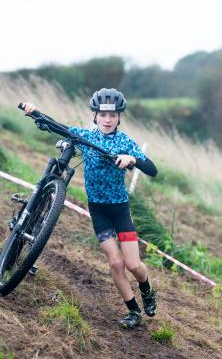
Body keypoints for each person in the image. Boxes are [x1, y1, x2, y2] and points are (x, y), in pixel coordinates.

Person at [23, 88, 158, 329]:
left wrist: (132, 159)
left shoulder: (125, 141)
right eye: (103, 115)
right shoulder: (86, 137)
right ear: (95, 115)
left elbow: (152, 169)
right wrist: (35, 112)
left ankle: (146, 289)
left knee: (133, 265)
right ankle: (134, 311)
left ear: (119, 117)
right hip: (98, 211)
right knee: (115, 264)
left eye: (113, 115)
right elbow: (57, 127)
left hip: (120, 210)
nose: (107, 120)